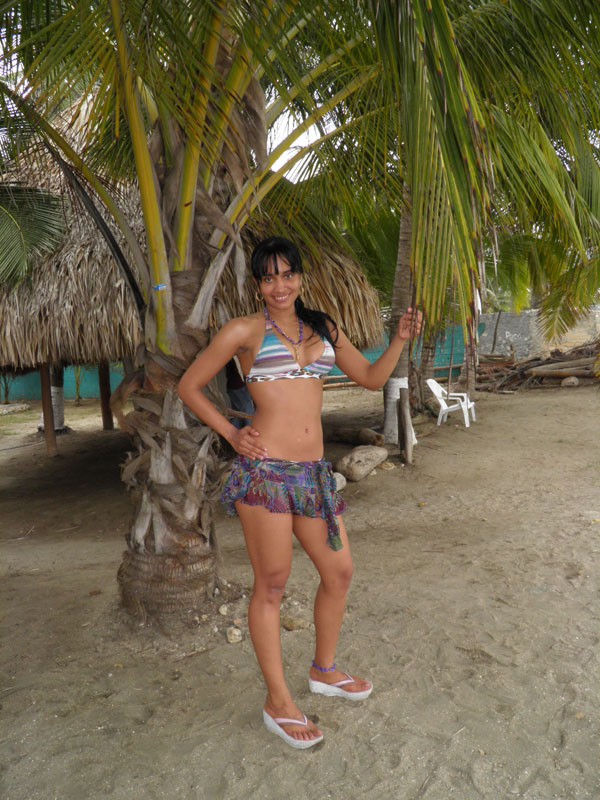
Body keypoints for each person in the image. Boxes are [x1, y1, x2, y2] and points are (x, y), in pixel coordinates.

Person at [177, 237, 422, 749]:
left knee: (339, 571)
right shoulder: (244, 331)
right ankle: (278, 702)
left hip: (312, 476)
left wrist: (399, 339)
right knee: (271, 585)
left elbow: (371, 377)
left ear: (301, 278)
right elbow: (189, 386)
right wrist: (231, 433)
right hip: (265, 475)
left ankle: (323, 671)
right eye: (268, 277)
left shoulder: (323, 327)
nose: (279, 285)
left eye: (287, 274)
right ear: (258, 285)